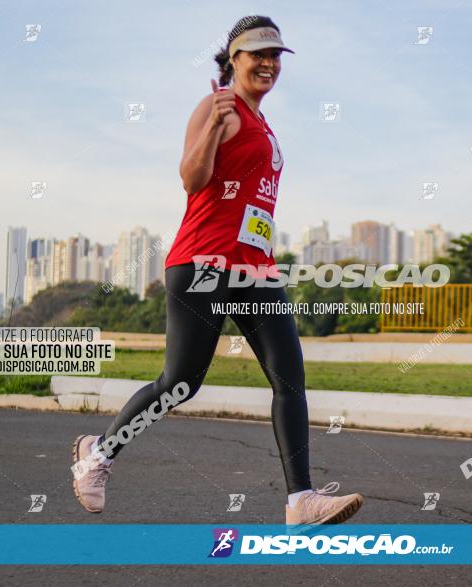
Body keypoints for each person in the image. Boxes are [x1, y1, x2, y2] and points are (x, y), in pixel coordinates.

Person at [71, 15, 364, 526]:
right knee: (181, 381)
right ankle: (97, 454)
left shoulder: (262, 121)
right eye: (259, 54)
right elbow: (191, 178)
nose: (269, 64)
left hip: (254, 268)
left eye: (276, 55)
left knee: (288, 377)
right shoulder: (216, 107)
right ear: (233, 59)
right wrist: (212, 123)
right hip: (202, 263)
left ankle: (301, 500)